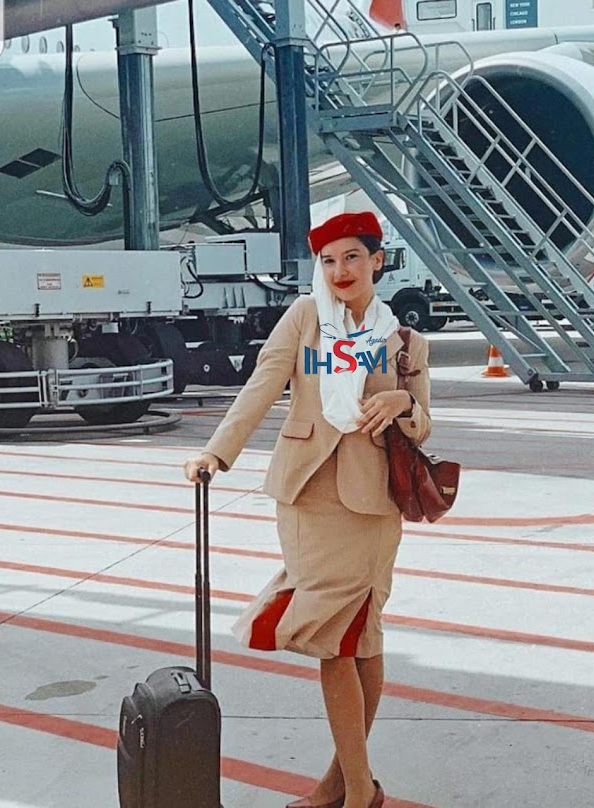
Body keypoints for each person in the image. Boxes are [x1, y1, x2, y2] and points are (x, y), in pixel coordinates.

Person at [184, 211, 431, 808]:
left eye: (352, 257)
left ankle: (348, 788)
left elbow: (423, 425)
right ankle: (353, 786)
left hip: (371, 506)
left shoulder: (404, 341)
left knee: (357, 637)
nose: (340, 270)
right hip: (306, 497)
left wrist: (401, 403)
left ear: (377, 261)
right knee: (333, 638)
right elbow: (263, 385)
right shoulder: (304, 318)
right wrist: (217, 451)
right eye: (329, 260)